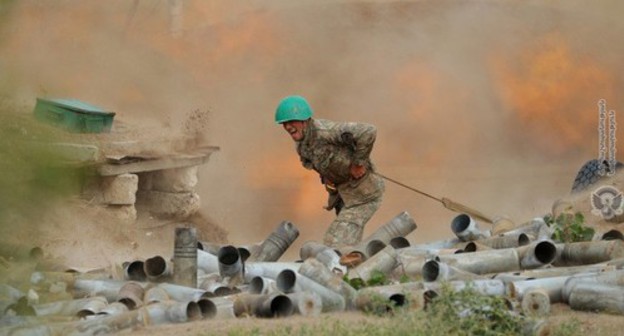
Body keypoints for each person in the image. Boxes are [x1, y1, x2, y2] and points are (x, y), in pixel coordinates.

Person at [275, 95, 385, 248]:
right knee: (347, 245)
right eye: (284, 124)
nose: (288, 127)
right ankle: (357, 269)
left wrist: (359, 163)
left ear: (304, 120)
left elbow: (368, 131)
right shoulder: (303, 146)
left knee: (335, 242)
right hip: (344, 196)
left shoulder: (326, 131)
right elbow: (320, 163)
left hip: (363, 194)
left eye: (291, 122)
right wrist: (328, 177)